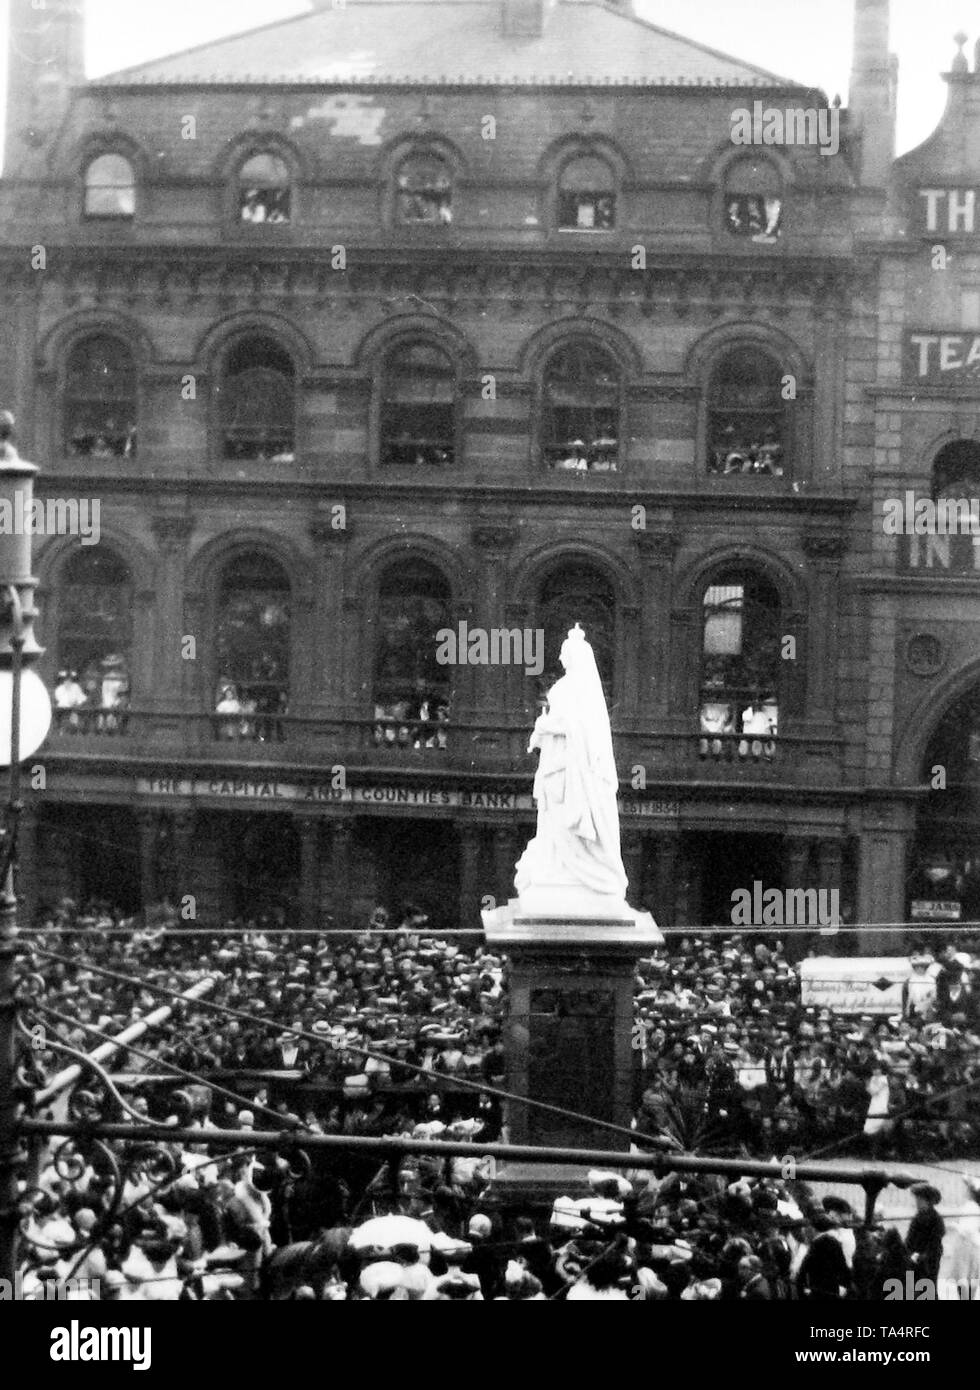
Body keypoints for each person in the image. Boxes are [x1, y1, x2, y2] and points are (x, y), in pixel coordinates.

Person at [515, 623, 628, 906]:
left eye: (565, 654)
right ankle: (557, 868)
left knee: (566, 815)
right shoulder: (569, 686)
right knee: (555, 819)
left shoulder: (580, 688)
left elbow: (577, 726)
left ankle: (572, 871)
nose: (561, 658)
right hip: (558, 759)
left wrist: (545, 724)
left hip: (573, 765)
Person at [906, 1183, 945, 1287]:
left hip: (928, 1263)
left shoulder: (936, 1220)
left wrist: (922, 1257)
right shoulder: (917, 1217)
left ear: (928, 1201)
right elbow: (909, 1240)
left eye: (919, 1200)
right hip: (914, 1261)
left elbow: (935, 1245)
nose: (917, 1203)